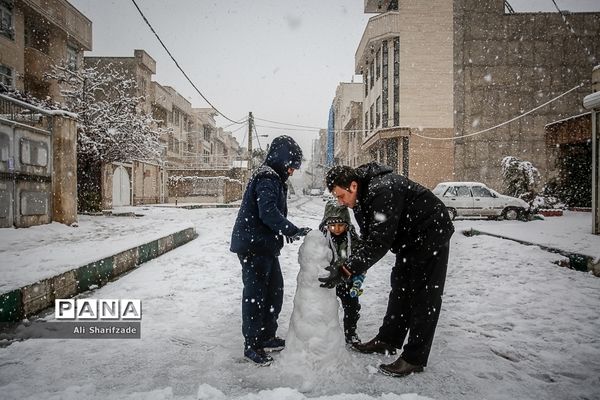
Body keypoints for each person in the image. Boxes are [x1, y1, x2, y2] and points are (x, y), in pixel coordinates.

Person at [319, 162, 454, 377]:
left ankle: (414, 358)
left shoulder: (381, 190)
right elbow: (369, 238)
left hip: (430, 233)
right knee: (400, 288)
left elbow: (379, 242)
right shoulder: (362, 197)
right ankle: (388, 340)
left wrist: (346, 270)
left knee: (425, 296)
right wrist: (345, 267)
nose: (340, 201)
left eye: (341, 195)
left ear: (353, 186)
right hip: (409, 239)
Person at [230, 135, 311, 366]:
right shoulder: (267, 177)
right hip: (254, 246)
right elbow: (268, 212)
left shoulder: (273, 176)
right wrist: (291, 230)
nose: (292, 171)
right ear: (281, 160)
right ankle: (252, 344)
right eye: (291, 166)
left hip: (263, 246)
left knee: (274, 290)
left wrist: (284, 231)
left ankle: (266, 335)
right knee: (256, 295)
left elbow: (271, 213)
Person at [318, 200, 364, 345]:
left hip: (348, 281)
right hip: (329, 281)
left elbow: (360, 259)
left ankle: (350, 332)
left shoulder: (353, 240)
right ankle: (323, 333)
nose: (336, 229)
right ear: (326, 225)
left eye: (340, 225)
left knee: (352, 308)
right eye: (332, 225)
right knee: (325, 308)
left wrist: (358, 277)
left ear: (347, 225)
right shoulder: (321, 240)